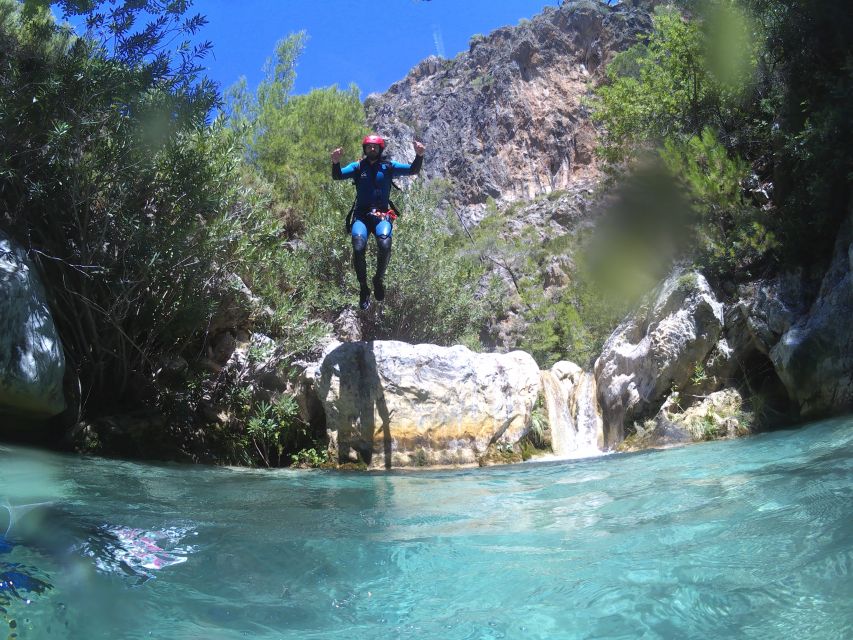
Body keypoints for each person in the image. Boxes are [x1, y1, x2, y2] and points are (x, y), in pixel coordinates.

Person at [331, 134, 425, 310]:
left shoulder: (389, 167)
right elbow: (338, 176)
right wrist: (335, 162)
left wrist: (419, 155)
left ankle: (378, 280)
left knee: (384, 243)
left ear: (380, 149)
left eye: (375, 147)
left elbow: (412, 170)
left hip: (382, 215)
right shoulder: (358, 167)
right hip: (362, 216)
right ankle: (364, 288)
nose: (372, 149)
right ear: (365, 149)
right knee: (358, 247)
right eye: (369, 147)